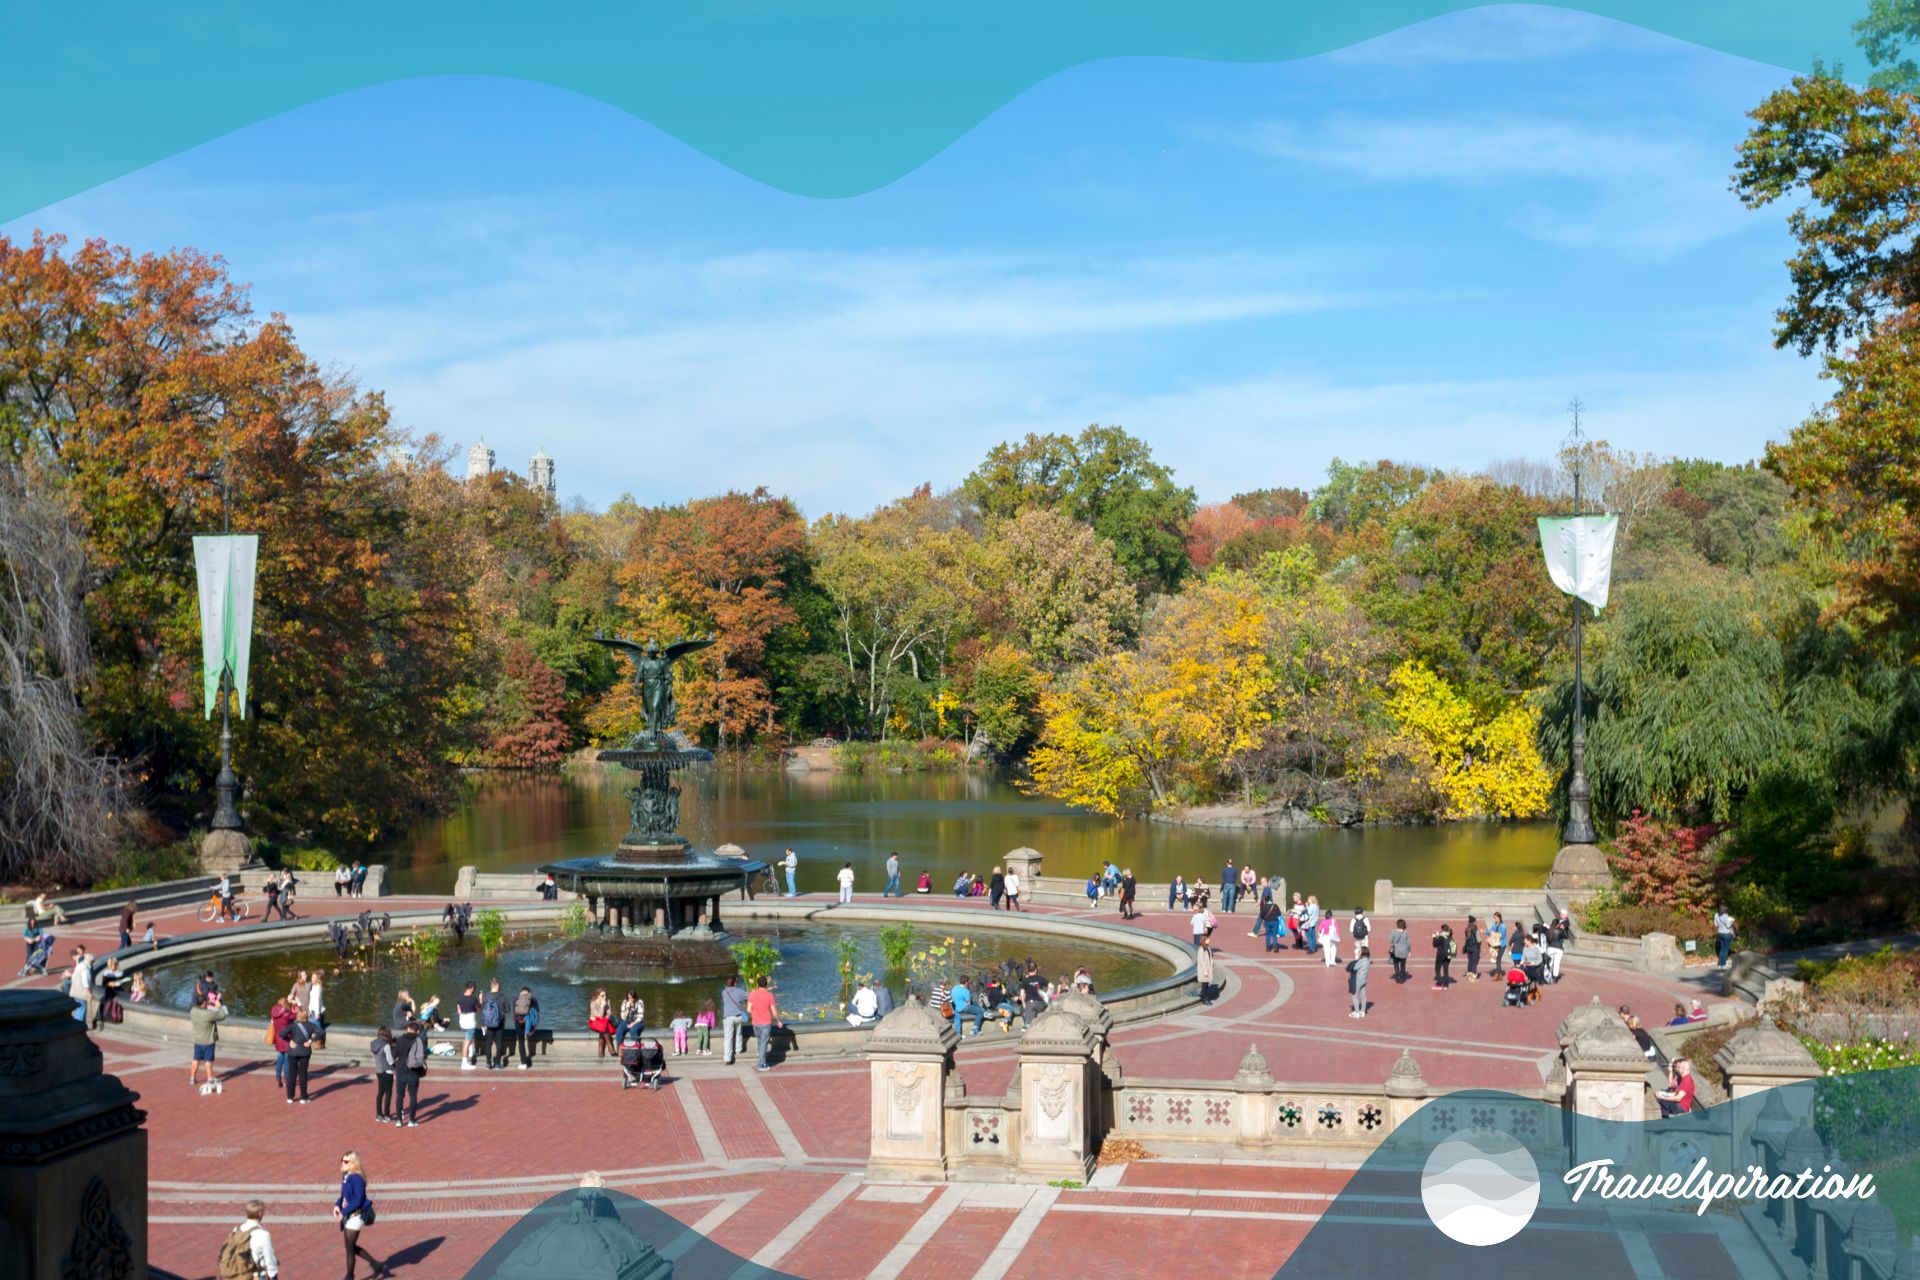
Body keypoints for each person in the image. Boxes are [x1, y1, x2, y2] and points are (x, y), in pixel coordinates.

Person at [334, 1151, 390, 1280]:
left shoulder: (357, 1179)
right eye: (342, 1160)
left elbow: (358, 1200)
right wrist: (337, 1205)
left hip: (357, 1215)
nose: (342, 1163)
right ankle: (376, 1264)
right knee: (351, 1247)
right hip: (348, 1214)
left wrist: (343, 1212)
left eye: (346, 1161)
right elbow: (343, 1196)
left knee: (349, 1249)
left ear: (353, 1163)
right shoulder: (346, 1176)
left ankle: (349, 1277)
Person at [220, 1201, 280, 1280]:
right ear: (259, 1214)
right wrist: (273, 1275)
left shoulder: (236, 1230)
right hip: (256, 1274)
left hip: (237, 1274)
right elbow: (269, 1259)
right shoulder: (263, 1234)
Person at [190, 989, 228, 1090]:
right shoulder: (208, 1014)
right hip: (208, 1041)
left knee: (196, 1059)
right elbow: (222, 1015)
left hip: (197, 1040)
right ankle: (209, 1078)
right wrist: (219, 1007)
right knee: (208, 1060)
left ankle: (192, 1077)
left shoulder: (193, 1011)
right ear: (204, 1003)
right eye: (206, 1002)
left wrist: (210, 1003)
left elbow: (205, 1010)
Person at [392, 1020, 425, 1126]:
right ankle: (411, 1120)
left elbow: (393, 1054)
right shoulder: (418, 1040)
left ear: (408, 1029)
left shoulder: (400, 1040)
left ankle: (398, 1120)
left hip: (401, 1070)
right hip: (413, 1071)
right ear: (417, 1031)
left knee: (400, 1095)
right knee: (413, 1095)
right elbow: (421, 1057)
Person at [748, 976, 784, 1071]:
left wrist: (754, 1014)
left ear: (758, 984)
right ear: (766, 984)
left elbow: (748, 1009)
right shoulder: (769, 995)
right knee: (763, 1043)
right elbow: (773, 1010)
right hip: (765, 1022)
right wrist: (779, 1020)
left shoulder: (752, 994)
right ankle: (762, 1064)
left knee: (760, 1042)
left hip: (755, 1022)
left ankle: (760, 1061)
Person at [284, 1005, 318, 1104]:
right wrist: (311, 1040)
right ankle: (303, 1097)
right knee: (303, 1075)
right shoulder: (311, 1026)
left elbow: (282, 1033)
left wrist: (289, 1041)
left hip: (293, 1051)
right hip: (305, 1052)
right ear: (306, 1016)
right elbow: (321, 1032)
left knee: (292, 1074)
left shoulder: (293, 1025)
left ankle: (290, 1097)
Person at [269, 993, 296, 1088]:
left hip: (278, 1039)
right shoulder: (287, 1014)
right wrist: (294, 1003)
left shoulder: (273, 1011)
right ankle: (286, 1081)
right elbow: (295, 1015)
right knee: (287, 1062)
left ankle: (278, 1080)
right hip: (286, 1039)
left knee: (279, 1061)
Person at [371, 1026, 396, 1123]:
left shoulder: (375, 1044)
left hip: (378, 1070)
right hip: (387, 1071)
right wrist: (395, 1064)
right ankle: (387, 1115)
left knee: (380, 1092)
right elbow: (390, 1060)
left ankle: (378, 1114)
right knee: (388, 1093)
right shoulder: (386, 1045)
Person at [721, 976, 749, 1064]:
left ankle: (727, 1058)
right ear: (735, 983)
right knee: (739, 1033)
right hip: (738, 1016)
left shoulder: (724, 992)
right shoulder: (739, 991)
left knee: (728, 1038)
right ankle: (738, 1050)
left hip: (728, 1017)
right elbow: (749, 997)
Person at [92, 955, 125, 1029]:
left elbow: (123, 983)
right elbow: (104, 984)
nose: (115, 966)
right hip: (109, 990)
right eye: (113, 964)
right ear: (109, 965)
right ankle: (99, 1018)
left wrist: (117, 984)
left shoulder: (120, 973)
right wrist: (109, 984)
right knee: (103, 1001)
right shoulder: (106, 973)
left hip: (117, 991)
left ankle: (113, 1017)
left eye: (116, 964)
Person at [480, 978, 507, 1070]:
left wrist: (483, 1023)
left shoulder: (485, 996)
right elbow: (508, 1009)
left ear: (491, 986)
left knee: (489, 1043)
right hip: (500, 1023)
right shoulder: (502, 996)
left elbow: (483, 1011)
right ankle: (498, 1064)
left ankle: (488, 1063)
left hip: (488, 1023)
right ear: (497, 986)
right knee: (499, 1043)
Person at [457, 981, 482, 1068]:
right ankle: (464, 1063)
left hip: (462, 1022)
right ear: (472, 988)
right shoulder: (473, 999)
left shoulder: (460, 998)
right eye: (474, 988)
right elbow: (479, 1009)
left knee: (470, 1037)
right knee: (467, 1042)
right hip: (470, 1023)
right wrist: (481, 1000)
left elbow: (459, 1011)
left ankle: (472, 1051)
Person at [514, 986, 539, 1068]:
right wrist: (535, 1025)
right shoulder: (533, 1000)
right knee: (528, 1037)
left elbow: (514, 1012)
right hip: (530, 1023)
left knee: (521, 1042)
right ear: (529, 993)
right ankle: (528, 1033)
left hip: (519, 1021)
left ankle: (523, 1062)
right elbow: (537, 1012)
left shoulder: (517, 998)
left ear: (520, 992)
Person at [67, 946, 93, 1024]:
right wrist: (89, 993)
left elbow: (74, 977)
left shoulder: (79, 966)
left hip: (75, 991)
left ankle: (79, 1025)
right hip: (81, 993)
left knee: (79, 1009)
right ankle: (78, 1026)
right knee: (81, 1010)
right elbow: (85, 982)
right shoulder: (85, 968)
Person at [1347, 944, 1372, 1018]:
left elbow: (1354, 968)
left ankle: (1357, 1012)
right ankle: (1363, 1011)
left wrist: (1356, 958)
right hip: (1364, 979)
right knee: (1363, 995)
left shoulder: (1361, 961)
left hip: (1358, 979)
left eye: (1360, 951)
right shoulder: (1368, 960)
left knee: (1354, 995)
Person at [1712, 904, 1736, 969]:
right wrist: (1732, 920)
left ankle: (1720, 964)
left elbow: (1716, 925)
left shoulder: (1716, 915)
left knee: (1722, 949)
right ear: (1725, 910)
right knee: (1725, 949)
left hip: (1720, 933)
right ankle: (1724, 964)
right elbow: (1728, 926)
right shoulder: (1726, 916)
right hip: (1727, 934)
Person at [1431, 923, 1454, 989]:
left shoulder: (1441, 937)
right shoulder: (1450, 935)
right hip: (1448, 955)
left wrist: (1434, 937)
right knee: (1446, 969)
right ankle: (1446, 985)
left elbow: (1434, 945)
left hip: (1440, 955)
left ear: (1442, 930)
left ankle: (1439, 984)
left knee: (1437, 969)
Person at [1462, 915, 1483, 983]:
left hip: (1468, 948)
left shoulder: (1466, 929)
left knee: (1470, 961)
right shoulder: (1475, 930)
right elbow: (1479, 940)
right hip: (1475, 948)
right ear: (1474, 922)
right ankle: (1473, 976)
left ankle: (1469, 974)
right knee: (1474, 962)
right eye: (1475, 921)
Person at [1196, 941, 1217, 1005]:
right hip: (1204, 970)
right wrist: (1205, 970)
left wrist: (1212, 965)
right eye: (1207, 939)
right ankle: (1204, 999)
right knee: (1204, 984)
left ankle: (1205, 997)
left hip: (1208, 968)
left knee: (1207, 983)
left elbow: (1210, 957)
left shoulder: (1208, 947)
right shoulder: (1201, 949)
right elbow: (1201, 960)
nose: (1209, 940)